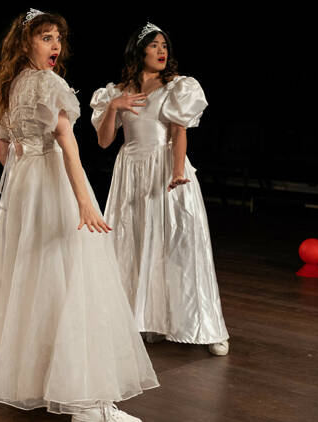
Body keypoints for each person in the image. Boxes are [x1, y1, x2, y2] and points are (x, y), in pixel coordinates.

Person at [0, 9, 158, 422]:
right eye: (46, 37)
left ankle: (35, 378)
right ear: (26, 43)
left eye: (58, 37)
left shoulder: (9, 87)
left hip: (24, 190)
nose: (56, 45)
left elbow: (3, 151)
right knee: (71, 278)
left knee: (29, 277)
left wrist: (20, 179)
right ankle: (84, 399)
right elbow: (67, 143)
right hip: (51, 183)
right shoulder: (49, 84)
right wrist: (83, 200)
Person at [90, 22, 229, 355]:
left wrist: (178, 171)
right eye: (154, 45)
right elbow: (105, 140)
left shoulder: (178, 87)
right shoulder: (117, 92)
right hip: (131, 172)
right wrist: (113, 107)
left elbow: (179, 131)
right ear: (139, 51)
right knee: (133, 242)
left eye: (164, 45)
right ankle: (137, 319)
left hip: (165, 167)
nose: (162, 50)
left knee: (180, 243)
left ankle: (204, 325)